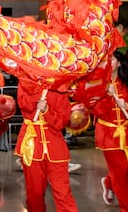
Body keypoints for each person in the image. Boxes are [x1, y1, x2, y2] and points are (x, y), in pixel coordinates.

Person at [86, 51, 128, 211]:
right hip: (108, 134)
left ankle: (107, 182)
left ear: (119, 63)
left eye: (110, 59)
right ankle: (127, 208)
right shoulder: (97, 84)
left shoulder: (127, 82)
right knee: (120, 175)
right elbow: (95, 110)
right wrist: (106, 95)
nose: (106, 62)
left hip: (127, 133)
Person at [14, 79, 78, 212]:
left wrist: (47, 110)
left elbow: (62, 122)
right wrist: (38, 94)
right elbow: (23, 104)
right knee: (35, 194)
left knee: (63, 193)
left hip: (55, 145)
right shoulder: (25, 82)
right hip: (31, 145)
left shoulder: (60, 88)